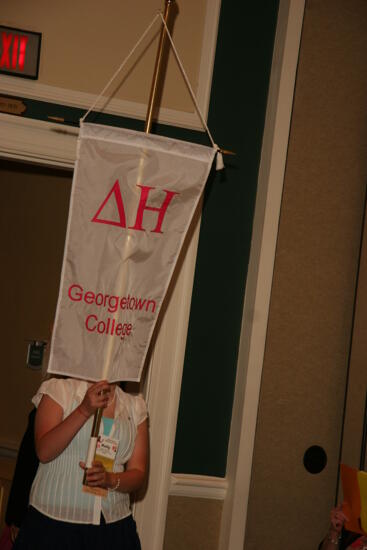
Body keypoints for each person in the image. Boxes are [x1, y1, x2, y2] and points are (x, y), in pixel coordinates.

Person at [13, 377, 148, 550]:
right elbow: (44, 451)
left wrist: (109, 479)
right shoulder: (59, 390)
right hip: (54, 525)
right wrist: (84, 410)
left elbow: (138, 472)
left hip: (114, 528)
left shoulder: (135, 406)